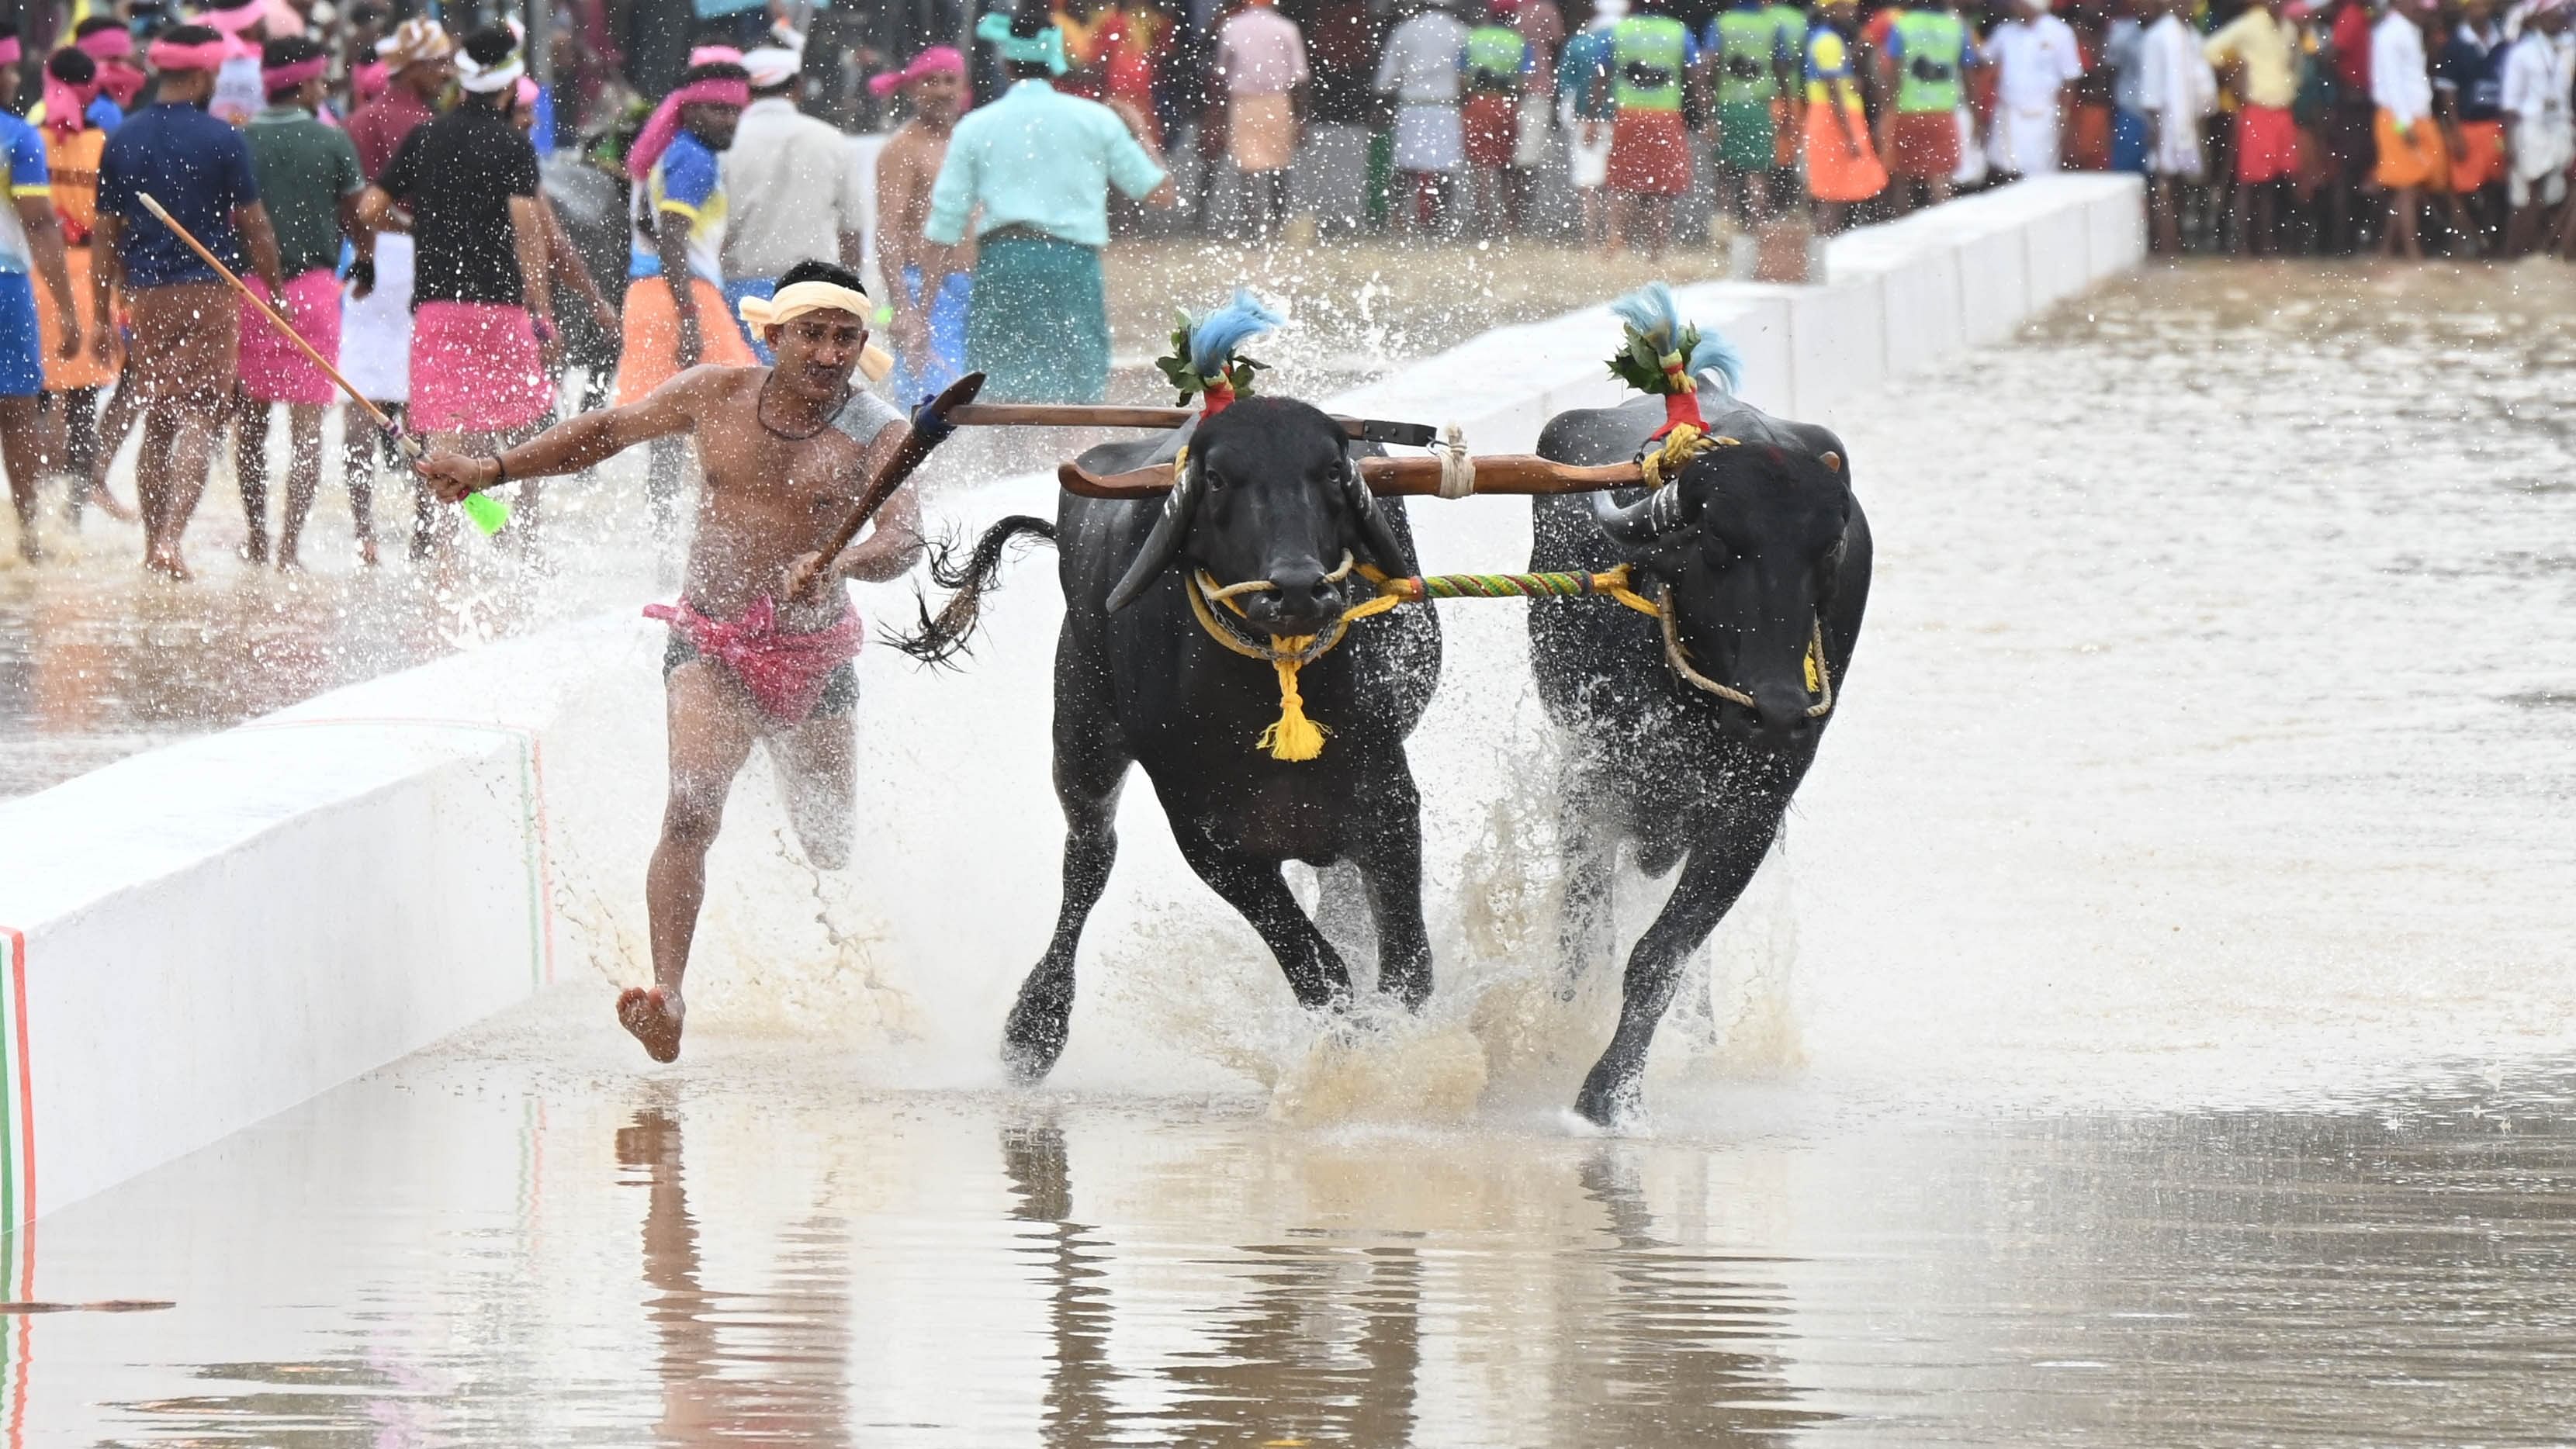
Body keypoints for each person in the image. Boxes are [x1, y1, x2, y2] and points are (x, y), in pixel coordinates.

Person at [412, 261, 927, 1064]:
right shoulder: (714, 393)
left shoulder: (879, 430)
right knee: (690, 808)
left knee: (829, 843)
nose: (828, 354)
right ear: (773, 335)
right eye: (813, 335)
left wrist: (844, 562)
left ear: (862, 343)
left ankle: (881, 985)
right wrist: (494, 470)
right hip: (711, 643)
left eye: (844, 337)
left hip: (813, 657)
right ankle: (668, 995)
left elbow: (903, 538)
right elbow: (605, 432)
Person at [92, 26, 289, 580]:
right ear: (202, 76)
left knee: (158, 416)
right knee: (201, 415)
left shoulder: (123, 138)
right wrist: (273, 289)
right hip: (212, 290)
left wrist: (103, 309)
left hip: (147, 296)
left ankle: (153, 543)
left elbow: (106, 235)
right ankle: (172, 541)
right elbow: (255, 226)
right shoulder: (224, 139)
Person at [358, 25, 556, 550]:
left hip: (439, 310)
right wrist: (542, 310)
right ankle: (521, 543)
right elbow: (527, 231)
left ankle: (441, 551)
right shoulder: (513, 145)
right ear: (510, 88)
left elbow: (369, 209)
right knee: (521, 431)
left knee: (443, 433)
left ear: (462, 84)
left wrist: (418, 226)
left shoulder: (425, 138)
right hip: (502, 310)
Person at [926, 0, 1174, 403]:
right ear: (1057, 57)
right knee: (1076, 394)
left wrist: (920, 314)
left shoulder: (975, 126)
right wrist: (1142, 132)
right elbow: (1160, 194)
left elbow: (944, 228)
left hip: (1003, 264)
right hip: (1071, 266)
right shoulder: (1096, 119)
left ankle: (1013, 469)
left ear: (1006, 65)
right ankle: (1069, 466)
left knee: (999, 395)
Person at [234, 35, 372, 570]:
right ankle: (290, 550)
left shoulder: (239, 141)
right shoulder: (331, 141)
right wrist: (366, 262)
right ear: (310, 82)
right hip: (313, 294)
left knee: (251, 423)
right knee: (307, 431)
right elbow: (359, 219)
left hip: (250, 292)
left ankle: (256, 538)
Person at [619, 53, 754, 534]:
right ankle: (717, 534)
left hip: (647, 296)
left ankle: (664, 541)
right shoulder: (695, 158)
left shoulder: (665, 150)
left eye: (737, 110)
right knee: (740, 410)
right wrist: (691, 318)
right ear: (691, 110)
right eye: (719, 110)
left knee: (670, 430)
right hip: (683, 297)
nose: (730, 119)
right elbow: (673, 235)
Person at [341, 18, 452, 557]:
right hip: (411, 261)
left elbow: (348, 204)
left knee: (364, 398)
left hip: (361, 265)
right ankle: (424, 529)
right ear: (414, 67)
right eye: (439, 63)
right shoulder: (427, 125)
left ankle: (362, 531)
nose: (446, 72)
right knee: (420, 399)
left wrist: (362, 250)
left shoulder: (358, 121)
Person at [723, 44, 865, 369]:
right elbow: (852, 230)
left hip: (740, 289)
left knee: (748, 390)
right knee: (805, 393)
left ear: (746, 90)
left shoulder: (727, 141)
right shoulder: (831, 140)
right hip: (812, 291)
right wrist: (850, 296)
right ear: (798, 86)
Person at [34, 45, 125, 527]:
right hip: (90, 275)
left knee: (35, 396)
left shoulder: (27, 140)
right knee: (84, 401)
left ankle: (31, 509)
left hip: (35, 272)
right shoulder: (105, 145)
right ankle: (72, 516)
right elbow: (115, 224)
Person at [0, 40, 84, 562]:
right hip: (6, 284)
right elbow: (38, 224)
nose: (12, 80)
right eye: (5, 70)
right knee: (18, 411)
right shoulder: (16, 139)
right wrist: (68, 309)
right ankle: (30, 537)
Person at [870, 47, 971, 400]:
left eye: (950, 81)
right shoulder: (903, 148)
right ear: (912, 89)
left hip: (973, 285)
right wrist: (903, 307)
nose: (942, 91)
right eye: (931, 81)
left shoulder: (969, 142)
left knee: (978, 398)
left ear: (963, 87)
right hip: (925, 290)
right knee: (932, 402)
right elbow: (888, 230)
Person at [2204, 0, 2301, 254]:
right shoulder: (2250, 24)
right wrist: (2234, 73)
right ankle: (2245, 245)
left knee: (2272, 183)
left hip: (2282, 111)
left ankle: (2266, 244)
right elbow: (2210, 49)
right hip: (2257, 110)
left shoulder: (2290, 28)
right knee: (2250, 182)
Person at [1604, 0, 1697, 255]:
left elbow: (1602, 74)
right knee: (1662, 188)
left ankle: (1617, 240)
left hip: (1629, 114)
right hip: (1666, 116)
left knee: (1622, 184)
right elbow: (1695, 75)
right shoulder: (1680, 31)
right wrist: (1704, 114)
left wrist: (1591, 114)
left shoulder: (1620, 30)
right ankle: (1658, 248)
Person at [1216, 0, 1311, 240]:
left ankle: (1252, 227)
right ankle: (1276, 226)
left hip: (1243, 102)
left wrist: (1216, 114)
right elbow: (1300, 78)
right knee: (1278, 165)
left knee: (1248, 167)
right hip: (1278, 101)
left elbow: (1221, 72)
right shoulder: (1287, 28)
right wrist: (1301, 119)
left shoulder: (1231, 26)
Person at [1376, 0, 1472, 233]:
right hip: (1446, 107)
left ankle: (1396, 217)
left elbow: (1387, 76)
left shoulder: (1406, 30)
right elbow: (1466, 76)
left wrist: (1379, 105)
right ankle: (1436, 222)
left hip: (1412, 106)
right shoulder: (1462, 32)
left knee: (1405, 167)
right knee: (1444, 169)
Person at [1880, 0, 1976, 211]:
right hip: (1943, 113)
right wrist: (1976, 116)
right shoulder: (1957, 27)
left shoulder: (1902, 25)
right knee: (1940, 177)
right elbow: (1969, 76)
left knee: (1903, 179)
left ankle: (1904, 232)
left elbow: (1892, 75)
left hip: (1908, 111)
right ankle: (1946, 232)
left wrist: (1887, 110)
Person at [2137, 0, 2218, 252]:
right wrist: (2156, 131)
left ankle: (2179, 241)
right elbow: (2151, 93)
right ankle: (2165, 246)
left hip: (2190, 122)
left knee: (2183, 182)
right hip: (2167, 122)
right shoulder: (2157, 36)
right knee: (2164, 183)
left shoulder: (2192, 35)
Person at [1804, 0, 1887, 232]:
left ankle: (1830, 246)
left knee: (1839, 191)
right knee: (1832, 194)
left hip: (1837, 119)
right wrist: (1849, 135)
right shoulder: (1828, 41)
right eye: (1846, 7)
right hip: (1834, 121)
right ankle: (1825, 249)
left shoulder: (1829, 38)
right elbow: (1833, 92)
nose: (1852, 12)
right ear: (1830, 9)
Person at [1710, 0, 1795, 223]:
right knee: (1758, 170)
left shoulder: (1722, 22)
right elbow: (1782, 69)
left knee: (1725, 171)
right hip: (1759, 106)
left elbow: (1711, 64)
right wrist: (1787, 107)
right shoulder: (1772, 24)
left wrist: (1708, 110)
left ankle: (1724, 227)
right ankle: (1757, 226)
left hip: (1727, 104)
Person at [2371, 0, 2443, 258]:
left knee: (2410, 186)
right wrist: (2404, 125)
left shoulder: (2410, 30)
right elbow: (2392, 84)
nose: (2421, 10)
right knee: (2408, 187)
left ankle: (2386, 249)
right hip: (2400, 119)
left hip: (2415, 117)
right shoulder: (2391, 33)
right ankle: (2413, 253)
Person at [2501, 0, 2573, 255]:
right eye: (2553, 15)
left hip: (2561, 125)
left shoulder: (2569, 49)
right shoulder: (2522, 52)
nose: (2559, 19)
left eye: (2562, 14)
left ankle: (2551, 250)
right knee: (2528, 194)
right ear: (2540, 19)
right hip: (2530, 128)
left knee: (2560, 192)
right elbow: (2509, 104)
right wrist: (2509, 143)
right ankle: (2518, 252)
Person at [2436, 0, 2511, 245]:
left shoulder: (2502, 41)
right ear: (2466, 10)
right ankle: (2463, 242)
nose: (2482, 10)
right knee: (2462, 189)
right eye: (2476, 5)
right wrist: (2455, 130)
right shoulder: (2456, 45)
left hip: (2495, 126)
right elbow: (2448, 92)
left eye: (2485, 4)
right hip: (2467, 126)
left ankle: (2489, 240)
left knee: (2494, 186)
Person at [1986, 0, 2084, 179]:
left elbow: (2070, 77)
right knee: (2008, 170)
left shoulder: (2060, 32)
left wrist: (2065, 113)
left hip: (2043, 114)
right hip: (2010, 114)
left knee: (2040, 172)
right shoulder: (2005, 32)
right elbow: (1985, 58)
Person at [1461, 0, 1533, 235]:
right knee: (1506, 168)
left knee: (1481, 168)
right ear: (1511, 18)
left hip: (1478, 103)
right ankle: (1510, 222)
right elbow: (1524, 81)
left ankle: (1485, 221)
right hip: (1505, 104)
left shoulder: (1474, 37)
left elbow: (1462, 77)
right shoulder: (1519, 42)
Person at [1557, 0, 1622, 249]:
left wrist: (1579, 122)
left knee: (1589, 185)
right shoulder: (1629, 40)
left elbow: (1567, 90)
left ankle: (1591, 241)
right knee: (1615, 183)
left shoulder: (1578, 44)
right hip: (1621, 119)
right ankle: (1614, 236)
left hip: (1584, 119)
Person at [1507, 0, 1567, 228]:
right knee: (1529, 159)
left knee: (1510, 157)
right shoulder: (1547, 10)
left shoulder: (1518, 12)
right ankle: (1521, 217)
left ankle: (1508, 216)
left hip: (1511, 92)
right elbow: (1558, 40)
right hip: (1538, 87)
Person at [199, 0, 271, 126]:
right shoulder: (266, 62)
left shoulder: (200, 53)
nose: (265, 22)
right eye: (261, 19)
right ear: (250, 26)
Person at [2102, 0, 2149, 175]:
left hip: (2161, 114)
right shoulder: (2121, 32)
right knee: (2126, 173)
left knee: (2159, 174)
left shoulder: (2169, 32)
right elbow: (2111, 72)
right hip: (2131, 111)